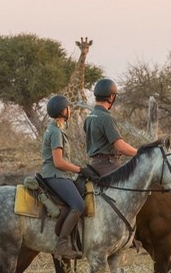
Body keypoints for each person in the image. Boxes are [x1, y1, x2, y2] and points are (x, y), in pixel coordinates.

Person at [42, 95, 99, 260]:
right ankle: (62, 245)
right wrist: (80, 170)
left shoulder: (56, 129)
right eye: (68, 108)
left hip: (60, 174)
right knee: (78, 205)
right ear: (62, 110)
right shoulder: (55, 132)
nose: (70, 110)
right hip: (56, 175)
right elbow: (59, 162)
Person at [83, 78, 138, 176]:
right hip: (108, 165)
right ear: (111, 97)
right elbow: (120, 146)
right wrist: (140, 153)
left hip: (94, 164)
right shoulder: (106, 118)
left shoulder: (89, 117)